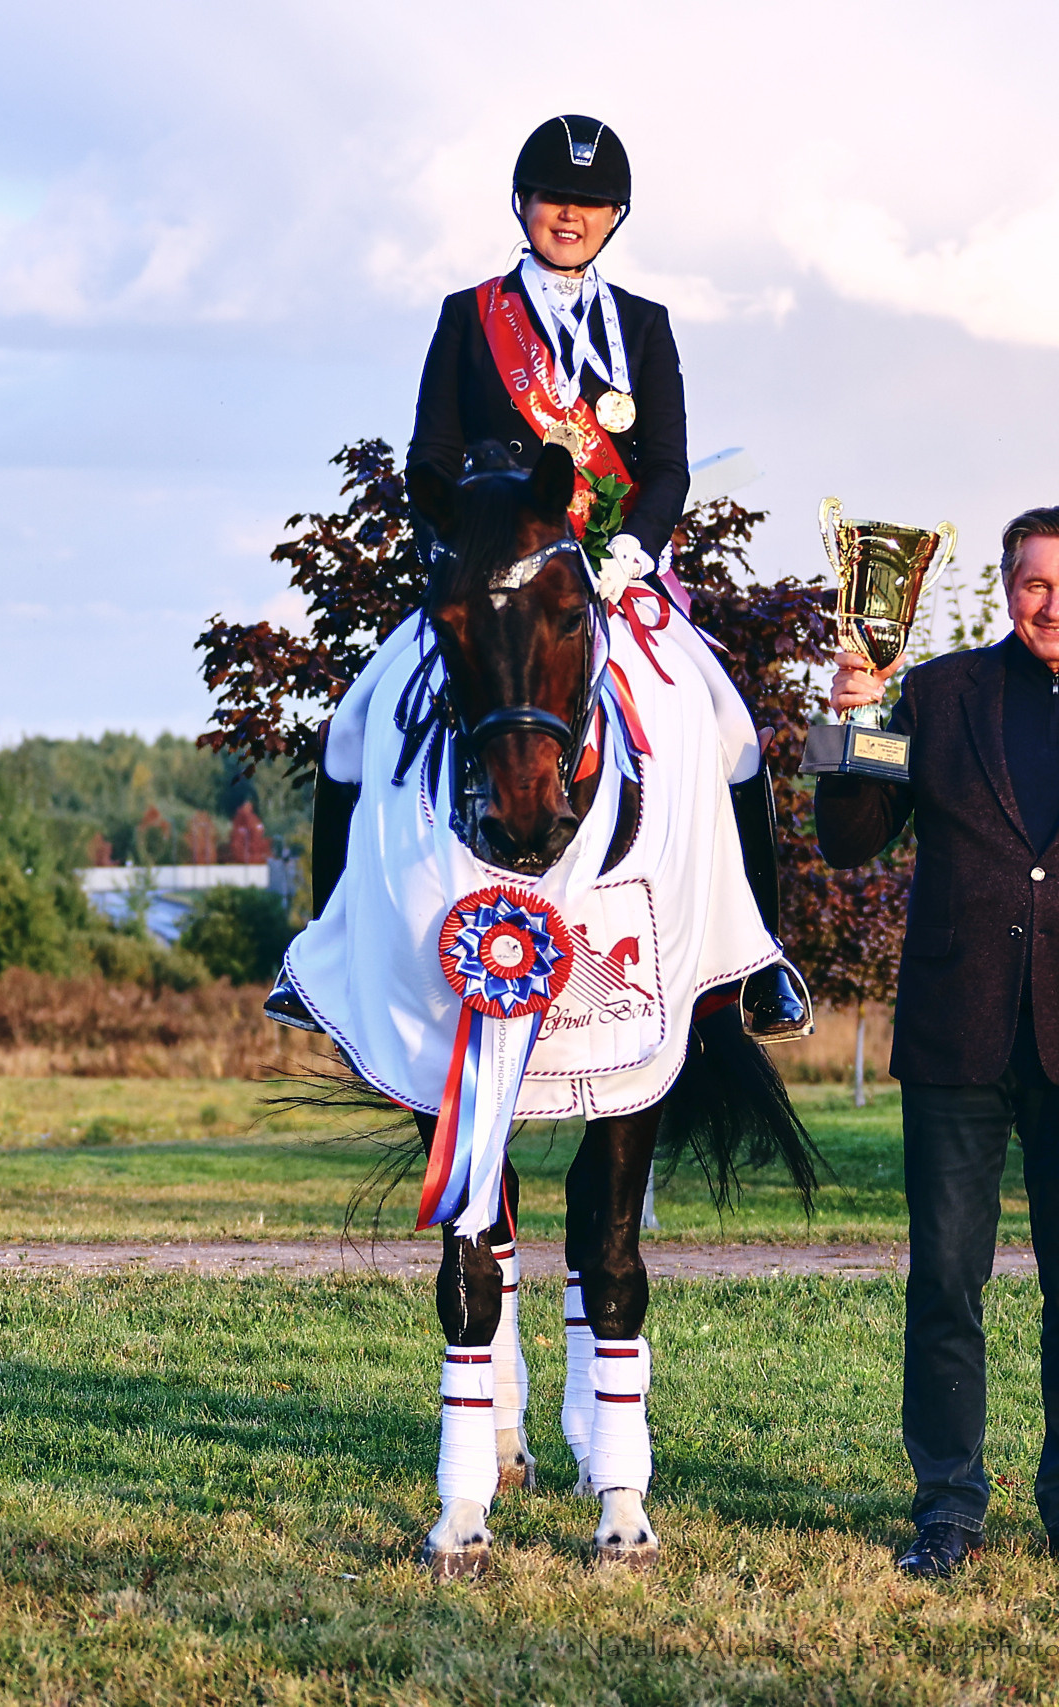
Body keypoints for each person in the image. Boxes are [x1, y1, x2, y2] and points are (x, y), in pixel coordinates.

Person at [316, 112, 807, 1037]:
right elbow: (432, 449)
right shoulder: (470, 318)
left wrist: (633, 548)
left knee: (733, 730)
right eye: (552, 199)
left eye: (588, 203)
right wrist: (457, 546)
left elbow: (665, 465)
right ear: (522, 204)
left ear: (615, 215)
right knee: (349, 728)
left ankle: (758, 963)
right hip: (493, 577)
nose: (568, 216)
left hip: (612, 576)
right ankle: (329, 950)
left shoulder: (645, 327)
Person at [816, 506, 1059, 1578]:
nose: (1052, 605)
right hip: (952, 1031)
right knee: (945, 1282)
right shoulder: (934, 694)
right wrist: (849, 719)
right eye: (1033, 584)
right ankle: (947, 1509)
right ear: (1008, 584)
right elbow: (846, 839)